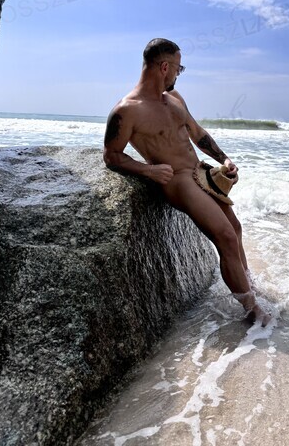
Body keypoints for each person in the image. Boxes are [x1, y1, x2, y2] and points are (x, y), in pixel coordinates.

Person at [103, 38, 271, 325]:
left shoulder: (174, 98)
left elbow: (196, 132)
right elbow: (111, 155)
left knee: (235, 228)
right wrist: (148, 171)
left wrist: (224, 160)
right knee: (225, 236)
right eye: (178, 68)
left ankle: (249, 286)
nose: (178, 74)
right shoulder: (127, 110)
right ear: (164, 67)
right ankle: (251, 310)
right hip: (178, 181)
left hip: (199, 172)